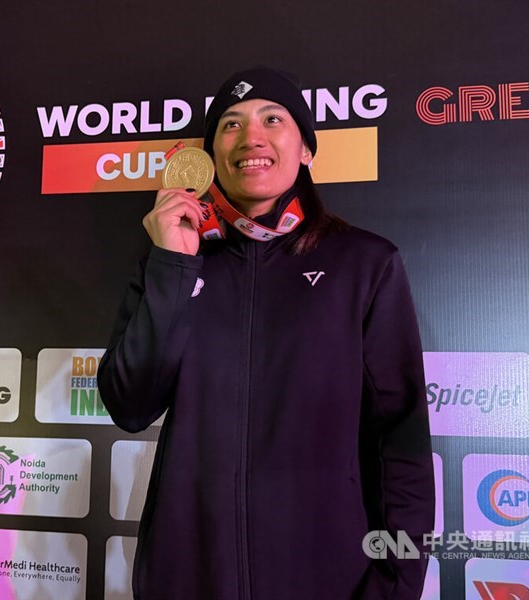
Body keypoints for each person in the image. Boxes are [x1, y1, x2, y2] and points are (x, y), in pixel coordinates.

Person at [98, 66, 434, 600]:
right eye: (229, 125)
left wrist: (397, 583)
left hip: (330, 581)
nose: (250, 138)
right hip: (187, 578)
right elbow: (130, 406)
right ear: (210, 158)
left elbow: (402, 441)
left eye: (272, 119)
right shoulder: (171, 263)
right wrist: (171, 267)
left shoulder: (366, 264)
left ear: (304, 149)